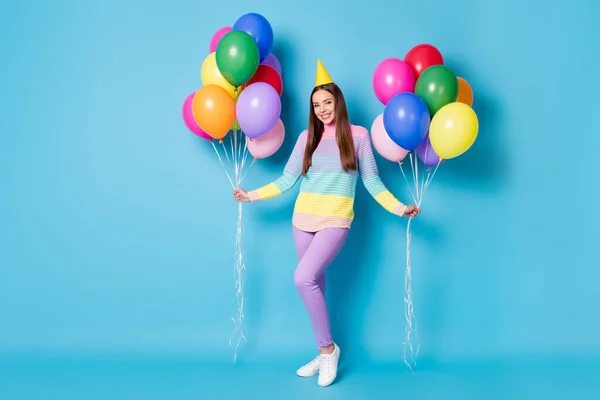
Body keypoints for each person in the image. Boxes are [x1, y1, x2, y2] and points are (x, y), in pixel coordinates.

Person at [233, 59, 420, 387]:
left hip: (336, 219)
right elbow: (287, 180)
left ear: (338, 102)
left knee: (302, 278)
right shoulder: (306, 137)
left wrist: (399, 208)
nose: (322, 109)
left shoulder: (358, 136)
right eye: (316, 105)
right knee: (315, 283)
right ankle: (323, 353)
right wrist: (251, 196)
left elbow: (373, 183)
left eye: (327, 103)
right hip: (302, 219)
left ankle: (328, 349)